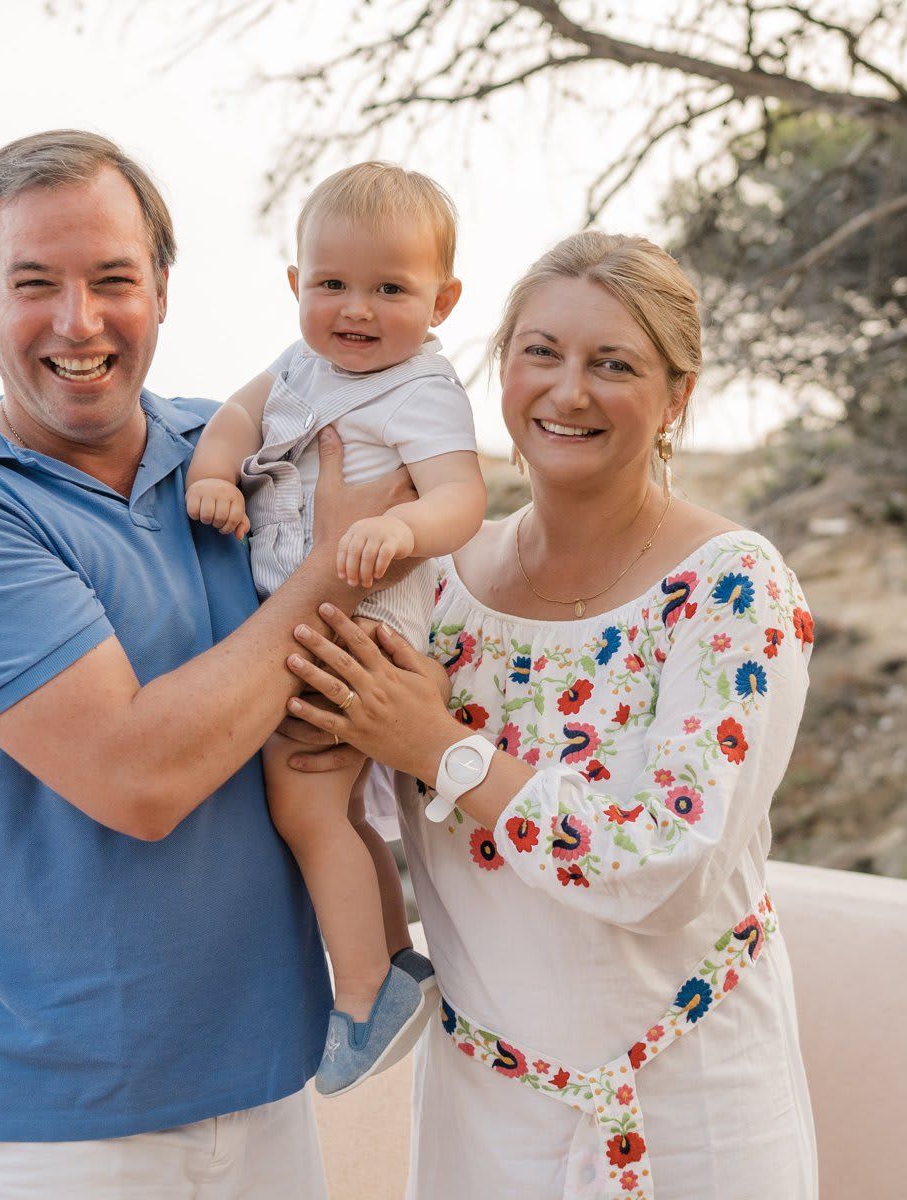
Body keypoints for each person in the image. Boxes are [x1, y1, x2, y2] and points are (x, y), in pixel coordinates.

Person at [0, 129, 418, 1199]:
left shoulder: (244, 460)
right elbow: (139, 778)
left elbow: (414, 561)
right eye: (35, 283)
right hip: (52, 1129)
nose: (78, 322)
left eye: (113, 279)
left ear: (162, 288)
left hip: (267, 1088)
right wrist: (337, 570)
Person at [279, 232, 818, 1198]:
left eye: (613, 364)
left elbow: (668, 858)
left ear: (675, 398)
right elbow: (315, 753)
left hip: (694, 1111)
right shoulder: (431, 583)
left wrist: (438, 748)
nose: (568, 392)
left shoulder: (731, 589)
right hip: (484, 1119)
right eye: (541, 353)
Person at [184, 162, 486, 1096]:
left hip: (359, 625)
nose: (356, 309)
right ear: (296, 286)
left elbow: (462, 498)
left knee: (304, 802)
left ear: (443, 299)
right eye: (332, 285)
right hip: (306, 618)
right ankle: (392, 959)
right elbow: (237, 417)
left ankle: (361, 991)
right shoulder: (295, 369)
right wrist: (213, 471)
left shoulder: (422, 391)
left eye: (390, 289)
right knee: (334, 805)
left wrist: (400, 526)